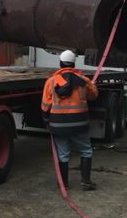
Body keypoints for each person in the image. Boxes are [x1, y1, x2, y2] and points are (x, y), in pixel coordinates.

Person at [40, 49, 99, 190]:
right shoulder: (84, 81)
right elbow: (94, 96)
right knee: (86, 150)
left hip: (59, 125)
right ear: (73, 64)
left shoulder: (51, 81)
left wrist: (46, 120)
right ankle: (85, 181)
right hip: (80, 124)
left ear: (60, 63)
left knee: (63, 154)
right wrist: (93, 86)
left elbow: (45, 105)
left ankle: (63, 184)